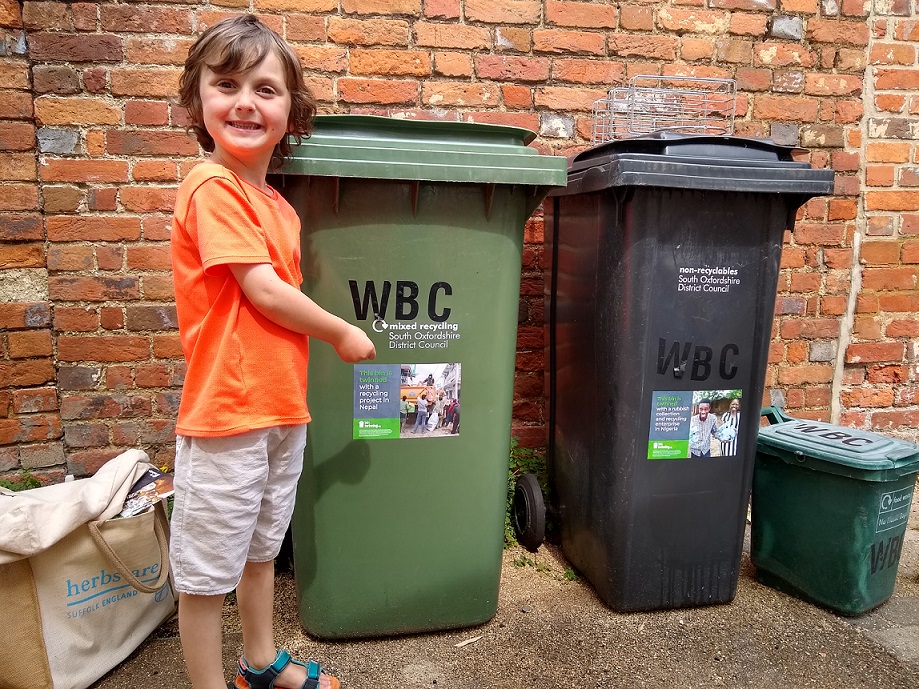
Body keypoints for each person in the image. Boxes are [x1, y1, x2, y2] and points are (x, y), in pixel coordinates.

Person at [169, 15, 375, 689]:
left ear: (292, 110)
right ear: (198, 102)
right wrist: (340, 331)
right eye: (226, 84)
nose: (246, 102)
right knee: (206, 572)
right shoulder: (212, 186)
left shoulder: (279, 209)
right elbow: (261, 290)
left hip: (280, 407)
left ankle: (259, 663)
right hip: (227, 412)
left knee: (260, 551)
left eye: (266, 88)